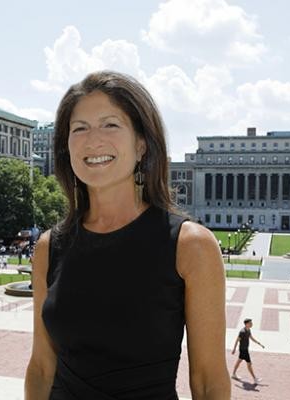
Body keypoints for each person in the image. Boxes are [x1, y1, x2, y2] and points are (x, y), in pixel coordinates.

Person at [24, 71, 230, 399]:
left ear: (141, 144)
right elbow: (40, 369)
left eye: (110, 124)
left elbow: (208, 382)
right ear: (67, 148)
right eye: (79, 128)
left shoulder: (191, 246)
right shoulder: (49, 247)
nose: (93, 140)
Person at [231, 318, 265, 383]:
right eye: (250, 323)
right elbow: (237, 340)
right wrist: (234, 349)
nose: (252, 324)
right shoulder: (242, 332)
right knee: (249, 364)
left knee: (239, 361)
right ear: (246, 324)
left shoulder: (248, 330)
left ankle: (233, 374)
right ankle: (255, 379)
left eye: (251, 323)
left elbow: (251, 338)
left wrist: (259, 343)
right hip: (243, 350)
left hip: (245, 349)